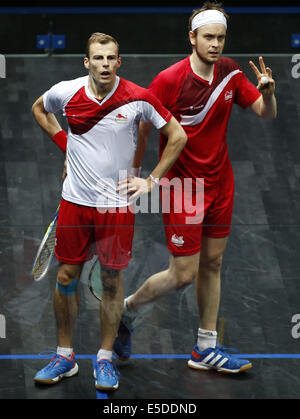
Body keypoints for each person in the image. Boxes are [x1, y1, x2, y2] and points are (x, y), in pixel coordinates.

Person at [114, 2, 277, 373]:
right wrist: (140, 173)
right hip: (183, 187)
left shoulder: (232, 72)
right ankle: (127, 310)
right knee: (183, 274)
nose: (216, 44)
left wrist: (266, 92)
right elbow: (142, 125)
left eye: (220, 37)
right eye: (208, 37)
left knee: (213, 263)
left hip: (221, 182)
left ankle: (205, 348)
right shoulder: (169, 80)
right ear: (192, 38)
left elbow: (267, 114)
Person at [31, 32, 187, 391]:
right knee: (66, 279)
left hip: (116, 207)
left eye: (110, 58)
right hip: (75, 203)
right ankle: (64, 356)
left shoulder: (139, 98)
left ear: (120, 62)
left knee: (113, 283)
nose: (104, 64)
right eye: (97, 58)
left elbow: (177, 136)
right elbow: (40, 109)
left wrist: (151, 181)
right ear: (87, 62)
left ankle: (104, 358)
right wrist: (65, 146)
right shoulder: (66, 92)